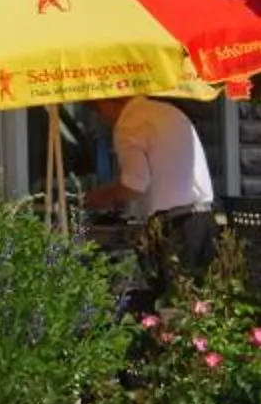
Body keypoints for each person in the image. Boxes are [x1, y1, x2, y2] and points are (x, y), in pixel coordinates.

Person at [85, 93, 217, 283]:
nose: (102, 119)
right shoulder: (165, 111)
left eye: (97, 111)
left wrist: (100, 197)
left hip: (175, 225)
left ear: (105, 102)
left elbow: (135, 184)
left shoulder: (129, 123)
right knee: (201, 303)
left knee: (170, 303)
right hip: (204, 217)